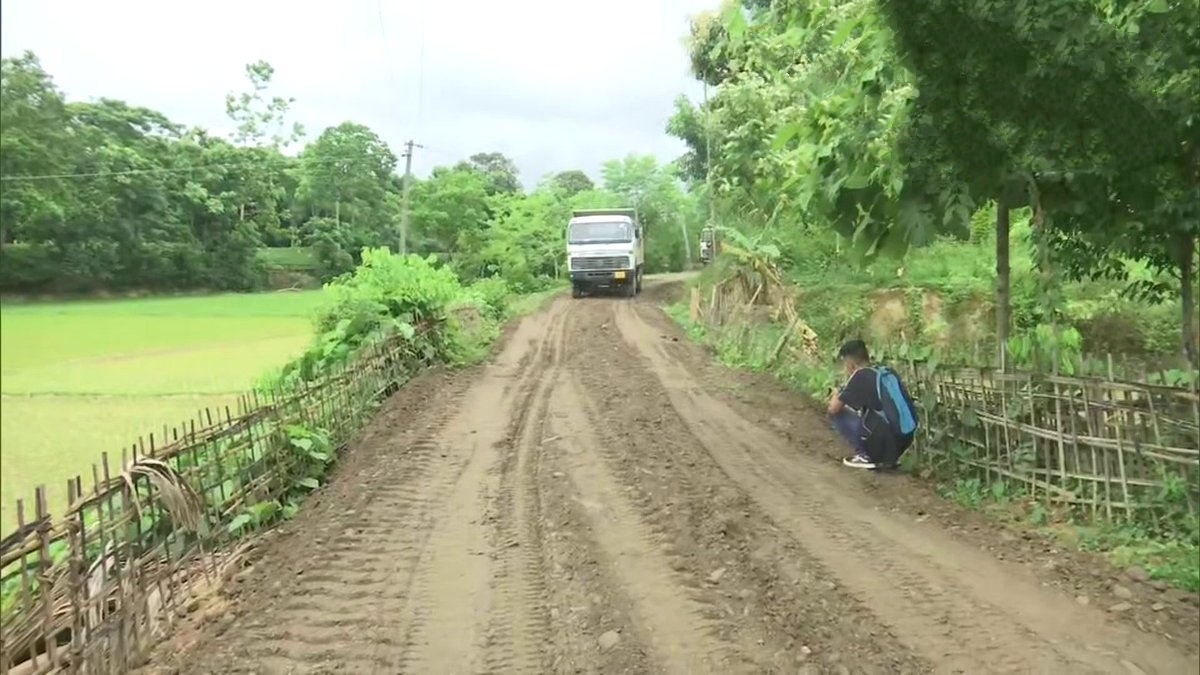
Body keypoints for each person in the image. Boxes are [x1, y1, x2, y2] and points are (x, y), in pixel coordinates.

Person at [826, 339, 917, 470]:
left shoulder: (860, 376)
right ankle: (888, 457)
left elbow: (834, 409)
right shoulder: (885, 371)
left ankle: (865, 455)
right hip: (904, 440)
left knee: (837, 414)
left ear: (850, 363)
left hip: (884, 441)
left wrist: (836, 394)